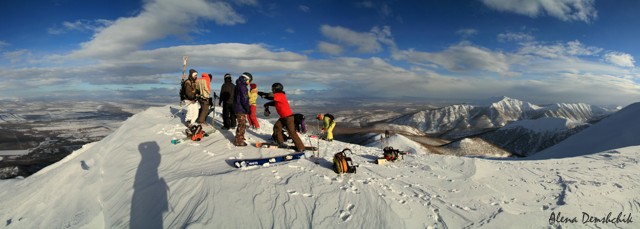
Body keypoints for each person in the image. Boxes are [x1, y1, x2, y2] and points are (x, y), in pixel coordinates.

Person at [263, 83, 305, 152]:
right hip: (283, 117)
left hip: (288, 118)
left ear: (276, 89)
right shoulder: (279, 96)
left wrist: (262, 94)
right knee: (277, 127)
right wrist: (267, 104)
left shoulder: (280, 95)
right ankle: (281, 143)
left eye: (273, 88)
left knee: (291, 132)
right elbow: (274, 102)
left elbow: (270, 96)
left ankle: (301, 148)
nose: (272, 90)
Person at [233, 72, 252, 146]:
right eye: (249, 81)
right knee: (242, 124)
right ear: (246, 79)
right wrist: (247, 108)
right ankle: (239, 141)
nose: (249, 83)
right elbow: (244, 99)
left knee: (241, 124)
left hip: (237, 107)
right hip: (240, 108)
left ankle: (239, 137)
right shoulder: (243, 87)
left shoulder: (238, 85)